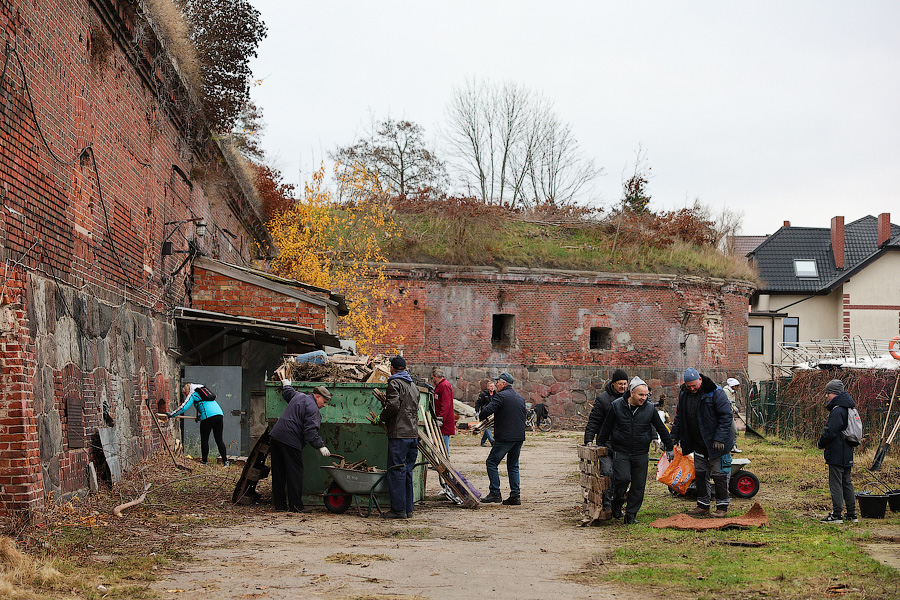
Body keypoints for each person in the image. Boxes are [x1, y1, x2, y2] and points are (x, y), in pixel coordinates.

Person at [595, 376, 673, 524]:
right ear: (631, 393)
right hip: (621, 451)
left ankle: (631, 515)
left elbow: (661, 428)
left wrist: (669, 447)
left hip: (640, 452)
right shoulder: (617, 406)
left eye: (646, 395)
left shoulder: (649, 408)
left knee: (638, 485)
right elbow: (606, 427)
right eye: (641, 395)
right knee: (622, 480)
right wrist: (600, 444)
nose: (644, 398)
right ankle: (617, 503)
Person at [671, 368, 735, 518]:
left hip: (717, 443)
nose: (692, 389)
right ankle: (703, 505)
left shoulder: (715, 392)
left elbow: (726, 416)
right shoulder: (685, 394)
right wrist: (674, 436)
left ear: (700, 380)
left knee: (720, 475)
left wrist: (719, 438)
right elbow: (679, 417)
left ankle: (722, 507)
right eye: (689, 386)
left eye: (694, 385)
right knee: (700, 474)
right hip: (698, 442)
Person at [269, 366, 332, 513]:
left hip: (276, 436)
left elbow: (288, 393)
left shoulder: (300, 396)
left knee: (278, 473)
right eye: (324, 401)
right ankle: (296, 506)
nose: (325, 405)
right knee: (295, 473)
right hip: (290, 440)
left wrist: (286, 384)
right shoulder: (313, 409)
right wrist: (321, 446)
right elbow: (310, 432)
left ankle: (280, 506)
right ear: (317, 396)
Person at [583, 368, 629, 513]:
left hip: (623, 445)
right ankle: (607, 504)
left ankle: (617, 503)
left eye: (625, 384)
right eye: (620, 384)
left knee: (622, 477)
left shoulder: (630, 398)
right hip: (606, 445)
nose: (623, 387)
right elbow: (594, 421)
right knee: (607, 473)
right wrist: (589, 439)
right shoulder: (603, 399)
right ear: (613, 384)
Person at [380, 356, 420, 519]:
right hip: (412, 434)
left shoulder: (394, 383)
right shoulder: (413, 385)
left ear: (392, 368)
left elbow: (393, 405)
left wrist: (382, 417)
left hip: (399, 435)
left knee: (396, 470)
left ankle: (398, 510)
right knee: (407, 471)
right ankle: (407, 509)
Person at [478, 372, 527, 505]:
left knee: (491, 462)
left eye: (497, 381)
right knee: (513, 465)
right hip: (519, 437)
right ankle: (515, 496)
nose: (495, 384)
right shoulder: (519, 398)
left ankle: (495, 493)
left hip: (505, 436)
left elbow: (488, 410)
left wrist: (480, 416)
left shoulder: (500, 396)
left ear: (504, 383)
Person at [817, 379, 858, 524]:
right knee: (847, 482)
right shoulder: (849, 408)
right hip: (847, 450)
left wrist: (821, 443)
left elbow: (830, 432)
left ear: (834, 393)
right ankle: (852, 514)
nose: (826, 396)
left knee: (836, 482)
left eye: (828, 393)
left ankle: (836, 515)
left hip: (836, 452)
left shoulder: (838, 410)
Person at [167, 383, 229, 466]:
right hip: (219, 415)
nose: (186, 396)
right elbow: (207, 406)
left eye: (185, 394)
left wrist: (172, 414)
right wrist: (200, 416)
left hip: (208, 417)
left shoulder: (193, 393)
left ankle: (204, 462)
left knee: (204, 440)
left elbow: (184, 407)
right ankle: (225, 462)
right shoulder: (203, 392)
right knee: (219, 439)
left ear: (187, 391)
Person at [432, 368, 455, 454]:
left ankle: (444, 463)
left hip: (444, 421)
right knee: (441, 442)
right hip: (441, 419)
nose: (433, 380)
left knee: (444, 442)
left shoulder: (444, 386)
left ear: (436, 376)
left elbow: (446, 404)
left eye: (433, 378)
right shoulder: (440, 385)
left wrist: (441, 418)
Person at [723, 377, 743, 453]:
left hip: (730, 414)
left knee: (732, 431)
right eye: (736, 386)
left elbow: (732, 403)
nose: (737, 388)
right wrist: (733, 408)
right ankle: (732, 447)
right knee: (733, 431)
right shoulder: (726, 391)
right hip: (726, 415)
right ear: (733, 386)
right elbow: (728, 403)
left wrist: (735, 409)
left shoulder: (732, 392)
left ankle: (732, 446)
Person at [475, 379, 496, 447]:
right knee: (487, 427)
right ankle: (492, 441)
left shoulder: (496, 394)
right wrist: (477, 412)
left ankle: (483, 441)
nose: (492, 388)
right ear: (488, 387)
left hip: (493, 414)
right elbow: (478, 403)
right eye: (490, 386)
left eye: (493, 386)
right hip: (485, 413)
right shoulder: (483, 395)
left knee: (488, 427)